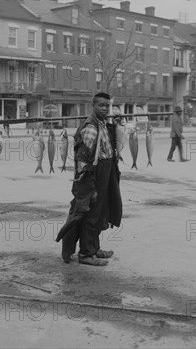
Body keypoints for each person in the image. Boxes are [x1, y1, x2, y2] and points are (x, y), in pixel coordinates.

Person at [56, 92, 123, 267]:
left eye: (107, 106)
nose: (105, 108)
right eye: (101, 105)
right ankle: (86, 253)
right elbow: (82, 160)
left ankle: (94, 247)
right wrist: (88, 186)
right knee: (90, 215)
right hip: (93, 176)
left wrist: (116, 124)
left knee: (100, 213)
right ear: (93, 106)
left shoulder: (102, 124)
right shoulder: (91, 127)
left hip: (105, 172)